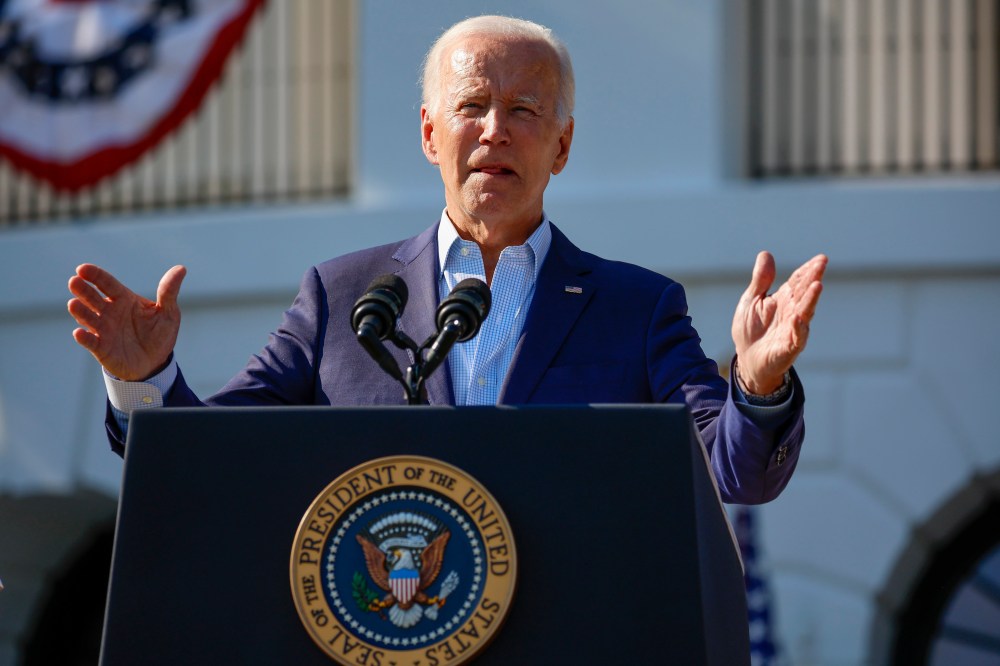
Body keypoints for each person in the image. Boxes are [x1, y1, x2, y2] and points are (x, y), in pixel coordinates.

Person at [67, 15, 826, 505]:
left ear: (561, 145)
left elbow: (731, 471)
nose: (495, 130)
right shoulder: (341, 296)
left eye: (524, 110)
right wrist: (146, 380)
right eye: (471, 107)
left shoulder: (636, 307)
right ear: (431, 134)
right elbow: (211, 463)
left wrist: (757, 385)